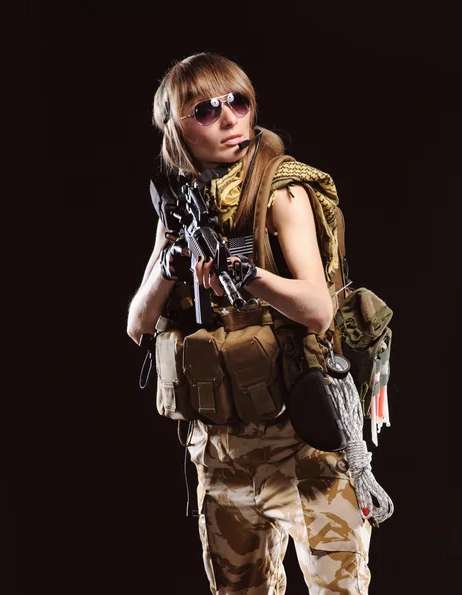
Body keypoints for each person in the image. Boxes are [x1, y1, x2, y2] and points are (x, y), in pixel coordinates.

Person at [127, 52, 372, 594]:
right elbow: (138, 322)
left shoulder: (280, 189)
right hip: (220, 454)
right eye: (206, 110)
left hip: (300, 448)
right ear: (178, 129)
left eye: (239, 102)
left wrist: (249, 275)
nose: (230, 118)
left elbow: (318, 307)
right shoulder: (180, 205)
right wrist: (170, 266)